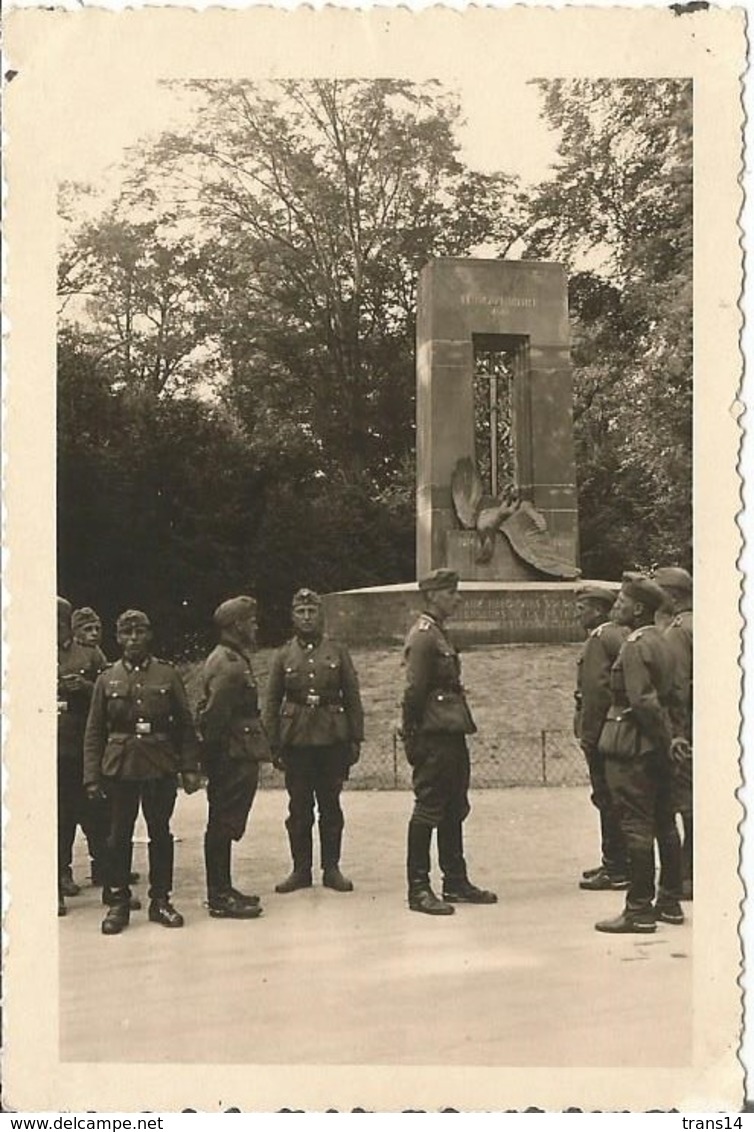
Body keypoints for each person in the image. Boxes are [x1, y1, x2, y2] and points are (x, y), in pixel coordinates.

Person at [83, 610, 202, 935]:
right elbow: (94, 732)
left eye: (139, 632)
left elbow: (185, 724)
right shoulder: (107, 679)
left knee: (160, 833)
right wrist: (92, 776)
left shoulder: (167, 674)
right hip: (120, 768)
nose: (133, 639)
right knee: (117, 835)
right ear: (118, 638)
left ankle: (161, 900)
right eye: (126, 633)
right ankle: (118, 902)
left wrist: (190, 766)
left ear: (149, 636)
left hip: (159, 765)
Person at [400, 569, 497, 916]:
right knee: (429, 808)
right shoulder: (424, 636)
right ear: (433, 596)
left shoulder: (440, 632)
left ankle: (455, 880)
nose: (457, 598)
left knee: (454, 807)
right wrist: (412, 735)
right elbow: (413, 692)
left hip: (451, 731)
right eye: (451, 592)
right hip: (433, 734)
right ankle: (419, 888)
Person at [595, 573, 683, 934]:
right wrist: (672, 740)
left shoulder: (633, 644)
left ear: (638, 608)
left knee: (635, 826)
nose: (616, 607)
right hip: (659, 747)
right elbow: (675, 698)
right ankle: (670, 901)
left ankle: (639, 910)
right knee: (665, 822)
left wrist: (659, 738)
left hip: (632, 746)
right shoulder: (663, 641)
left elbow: (642, 701)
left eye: (621, 602)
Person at [264, 588, 364, 894]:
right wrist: (273, 744)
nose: (307, 617)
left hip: (332, 738)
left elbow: (352, 697)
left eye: (312, 612)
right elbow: (271, 701)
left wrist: (355, 738)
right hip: (297, 741)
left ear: (321, 615)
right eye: (301, 612)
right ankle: (301, 869)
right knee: (299, 808)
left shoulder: (338, 652)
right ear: (293, 616)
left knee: (331, 806)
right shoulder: (283, 655)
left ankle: (331, 868)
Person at [197, 596, 269, 920]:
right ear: (237, 625)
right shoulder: (229, 664)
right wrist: (214, 759)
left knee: (224, 822)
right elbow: (214, 717)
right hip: (232, 753)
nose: (255, 626)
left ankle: (223, 889)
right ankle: (219, 895)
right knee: (223, 823)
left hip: (234, 750)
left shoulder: (231, 658)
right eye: (250, 621)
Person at [573, 584, 630, 891]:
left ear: (596, 610)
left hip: (601, 731)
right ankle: (619, 862)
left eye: (582, 609)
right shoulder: (619, 634)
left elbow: (596, 694)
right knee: (616, 798)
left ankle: (615, 867)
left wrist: (589, 735)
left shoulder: (599, 639)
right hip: (618, 729)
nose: (577, 614)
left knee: (606, 798)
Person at [57, 597, 110, 916]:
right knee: (60, 815)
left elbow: (109, 692)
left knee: (95, 811)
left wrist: (85, 686)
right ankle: (61, 872)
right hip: (54, 747)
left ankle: (104, 867)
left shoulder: (90, 654)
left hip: (84, 745)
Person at [655, 566, 694, 900]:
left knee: (686, 801)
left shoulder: (678, 632)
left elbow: (678, 687)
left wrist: (677, 733)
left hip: (688, 727)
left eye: (659, 592)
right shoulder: (701, 623)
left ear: (673, 596)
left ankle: (687, 875)